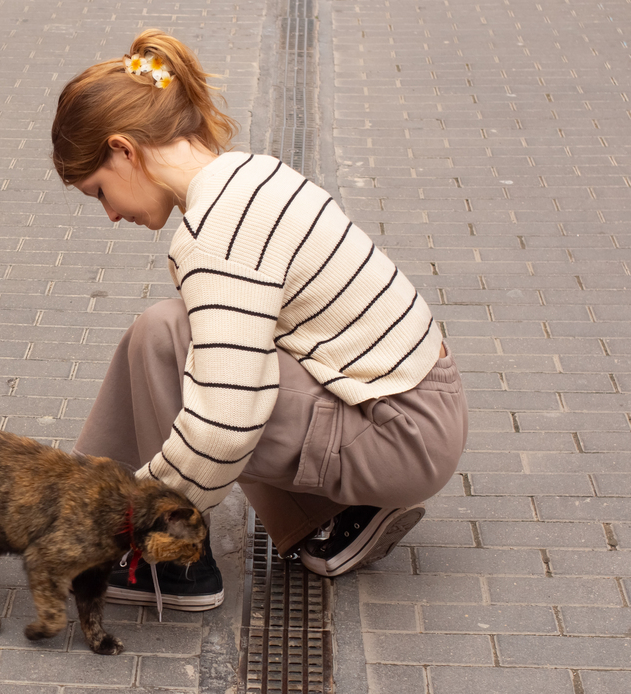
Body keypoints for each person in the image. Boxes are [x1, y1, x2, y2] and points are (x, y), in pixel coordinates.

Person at [52, 30, 468, 611]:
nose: (111, 214)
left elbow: (226, 423)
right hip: (414, 407)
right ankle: (331, 516)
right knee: (166, 333)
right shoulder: (248, 175)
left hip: (403, 432)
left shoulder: (213, 235)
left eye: (99, 192)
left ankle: (169, 562)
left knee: (210, 380)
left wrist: (134, 517)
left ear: (124, 150)